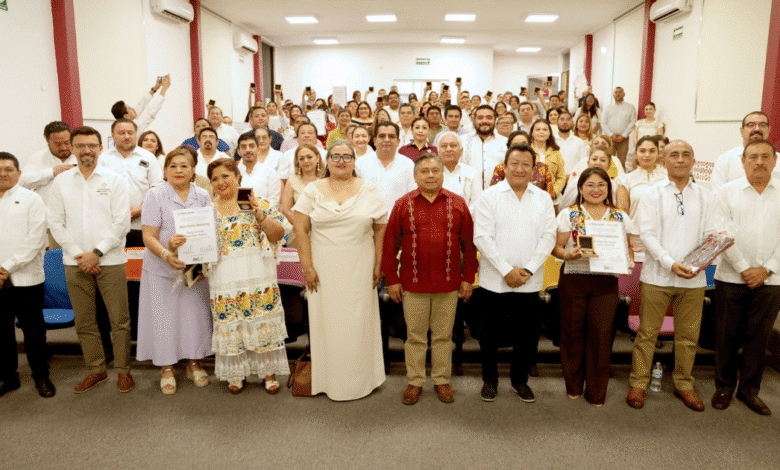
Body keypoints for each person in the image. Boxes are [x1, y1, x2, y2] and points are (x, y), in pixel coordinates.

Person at [293, 140, 388, 401]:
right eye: (336, 155)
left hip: (360, 264)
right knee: (329, 322)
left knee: (358, 323)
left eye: (347, 156)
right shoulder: (313, 190)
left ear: (355, 161)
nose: (341, 160)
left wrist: (378, 263)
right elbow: (300, 229)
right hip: (323, 267)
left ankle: (361, 381)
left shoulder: (368, 189)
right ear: (327, 160)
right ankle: (329, 381)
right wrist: (307, 267)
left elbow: (380, 226)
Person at [626, 140, 715, 411]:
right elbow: (647, 235)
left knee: (689, 336)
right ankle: (638, 384)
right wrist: (670, 263)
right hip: (657, 277)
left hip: (695, 278)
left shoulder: (706, 196)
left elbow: (711, 235)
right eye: (673, 155)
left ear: (693, 161)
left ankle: (684, 384)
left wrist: (697, 265)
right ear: (664, 161)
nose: (680, 159)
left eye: (686, 154)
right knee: (647, 334)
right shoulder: (652, 194)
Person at [383, 153, 478, 405]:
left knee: (443, 336)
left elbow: (468, 244)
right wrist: (392, 278)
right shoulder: (402, 204)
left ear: (442, 173)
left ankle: (441, 379)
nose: (430, 175)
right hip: (412, 285)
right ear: (415, 176)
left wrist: (469, 277)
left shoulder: (457, 203)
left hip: (449, 284)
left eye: (435, 170)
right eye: (424, 171)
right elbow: (389, 243)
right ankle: (414, 381)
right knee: (414, 336)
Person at [47, 126, 134, 394]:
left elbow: (122, 222)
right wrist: (78, 254)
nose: (87, 150)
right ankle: (96, 370)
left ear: (100, 148)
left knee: (119, 320)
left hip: (110, 261)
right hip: (75, 263)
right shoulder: (61, 182)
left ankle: (122, 370)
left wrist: (95, 253)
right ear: (72, 148)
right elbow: (55, 222)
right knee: (85, 321)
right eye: (81, 145)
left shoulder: (114, 179)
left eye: (92, 145)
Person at [473, 143, 556, 402]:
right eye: (514, 163)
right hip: (494, 279)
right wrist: (507, 270)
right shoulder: (489, 196)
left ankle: (519, 380)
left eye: (526, 165)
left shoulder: (542, 198)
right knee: (489, 335)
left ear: (534, 169)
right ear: (505, 167)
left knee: (527, 336)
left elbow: (549, 236)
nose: (520, 169)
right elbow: (482, 238)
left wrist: (529, 269)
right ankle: (490, 380)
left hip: (529, 281)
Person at [207, 158, 291, 394]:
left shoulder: (251, 200)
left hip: (256, 271)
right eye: (215, 178)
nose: (221, 182)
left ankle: (268, 372)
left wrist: (261, 217)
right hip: (224, 275)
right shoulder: (208, 211)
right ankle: (236, 372)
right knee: (232, 321)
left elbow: (278, 234)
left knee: (260, 318)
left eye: (226, 176)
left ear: (237, 177)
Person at [553, 166, 635, 406]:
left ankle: (597, 391)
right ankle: (574, 384)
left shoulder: (619, 215)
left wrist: (628, 259)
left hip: (605, 283)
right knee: (572, 332)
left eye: (601, 184)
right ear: (580, 188)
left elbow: (628, 247)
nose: (596, 189)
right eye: (590, 184)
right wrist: (567, 255)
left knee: (601, 335)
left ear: (608, 188)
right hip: (573, 279)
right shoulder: (570, 214)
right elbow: (556, 247)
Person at [711, 139, 780, 416]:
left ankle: (750, 390)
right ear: (743, 161)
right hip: (731, 276)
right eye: (753, 156)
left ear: (775, 161)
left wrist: (767, 268)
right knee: (726, 335)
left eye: (765, 156)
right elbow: (720, 234)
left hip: (772, 279)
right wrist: (743, 267)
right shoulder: (727, 193)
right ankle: (724, 386)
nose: (759, 161)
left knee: (758, 338)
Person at [136, 147, 213, 394]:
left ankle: (194, 362)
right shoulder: (155, 195)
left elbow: (207, 231)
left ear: (193, 171)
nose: (178, 170)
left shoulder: (202, 195)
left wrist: (203, 260)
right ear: (165, 170)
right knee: (164, 319)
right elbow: (148, 236)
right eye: (173, 166)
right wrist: (167, 254)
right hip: (161, 267)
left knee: (193, 317)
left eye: (184, 166)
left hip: (193, 270)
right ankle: (167, 367)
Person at [0, 152, 55, 398]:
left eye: (8, 169)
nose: (3, 174)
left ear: (19, 173)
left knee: (33, 331)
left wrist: (5, 268)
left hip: (25, 277)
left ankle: (41, 376)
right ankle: (9, 377)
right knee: (1, 331)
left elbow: (35, 239)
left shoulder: (31, 199)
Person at [100, 119, 164, 248]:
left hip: (142, 225)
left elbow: (158, 187)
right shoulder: (102, 158)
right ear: (113, 135)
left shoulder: (148, 157)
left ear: (136, 134)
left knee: (138, 265)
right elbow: (97, 189)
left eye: (130, 133)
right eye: (121, 133)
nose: (126, 136)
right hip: (110, 226)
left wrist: (140, 210)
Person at [19, 121, 77, 248]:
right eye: (57, 144)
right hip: (53, 223)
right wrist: (52, 172)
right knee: (57, 263)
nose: (63, 147)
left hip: (81, 221)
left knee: (85, 263)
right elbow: (21, 181)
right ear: (48, 142)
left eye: (67, 142)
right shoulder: (38, 158)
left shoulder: (81, 155)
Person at [710, 112, 780, 192]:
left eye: (763, 125)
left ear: (769, 130)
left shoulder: (779, 159)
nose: (757, 129)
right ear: (742, 130)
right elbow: (718, 196)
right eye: (751, 125)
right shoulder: (725, 160)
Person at [355, 122, 416, 211]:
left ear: (398, 141)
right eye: (382, 136)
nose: (387, 140)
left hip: (398, 221)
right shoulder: (360, 164)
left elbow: (411, 197)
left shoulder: (408, 164)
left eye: (391, 136)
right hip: (369, 221)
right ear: (374, 141)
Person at [616, 136, 668, 222]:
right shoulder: (625, 179)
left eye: (652, 151)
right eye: (642, 151)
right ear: (636, 153)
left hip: (662, 232)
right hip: (635, 233)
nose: (647, 155)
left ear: (658, 153)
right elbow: (622, 213)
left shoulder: (668, 176)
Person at [280, 144, 324, 239]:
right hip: (298, 232)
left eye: (309, 157)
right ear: (297, 162)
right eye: (302, 159)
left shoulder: (326, 180)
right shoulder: (292, 180)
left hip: (323, 232)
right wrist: (303, 227)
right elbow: (286, 209)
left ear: (317, 158)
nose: (306, 161)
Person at [460, 105, 508, 189]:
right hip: (469, 197)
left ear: (495, 120)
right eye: (480, 118)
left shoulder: (505, 143)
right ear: (474, 120)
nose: (484, 121)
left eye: (489, 118)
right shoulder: (462, 141)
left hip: (498, 196)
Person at [438, 132, 482, 209]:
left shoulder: (472, 173)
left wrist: (462, 216)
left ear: (461, 150)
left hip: (466, 218)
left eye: (453, 145)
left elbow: (477, 203)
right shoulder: (431, 173)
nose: (448, 149)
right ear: (438, 152)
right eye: (444, 146)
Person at [236, 133, 282, 209]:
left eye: (251, 146)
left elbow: (274, 203)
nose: (248, 150)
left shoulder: (270, 173)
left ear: (258, 149)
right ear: (239, 152)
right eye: (244, 147)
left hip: (264, 217)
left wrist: (259, 213)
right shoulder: (233, 173)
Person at [529, 119, 566, 199]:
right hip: (529, 196)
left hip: (552, 198)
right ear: (532, 133)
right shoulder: (526, 152)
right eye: (538, 129)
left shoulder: (556, 153)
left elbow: (561, 176)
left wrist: (554, 192)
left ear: (549, 133)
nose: (541, 132)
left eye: (545, 130)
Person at [600, 87, 636, 168]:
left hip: (623, 139)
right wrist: (610, 135)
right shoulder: (607, 107)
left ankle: (621, 180)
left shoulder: (630, 107)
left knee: (621, 162)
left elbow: (632, 123)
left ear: (624, 94)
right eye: (616, 92)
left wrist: (623, 135)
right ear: (613, 95)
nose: (618, 93)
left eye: (620, 92)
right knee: (607, 160)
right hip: (609, 139)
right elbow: (603, 123)